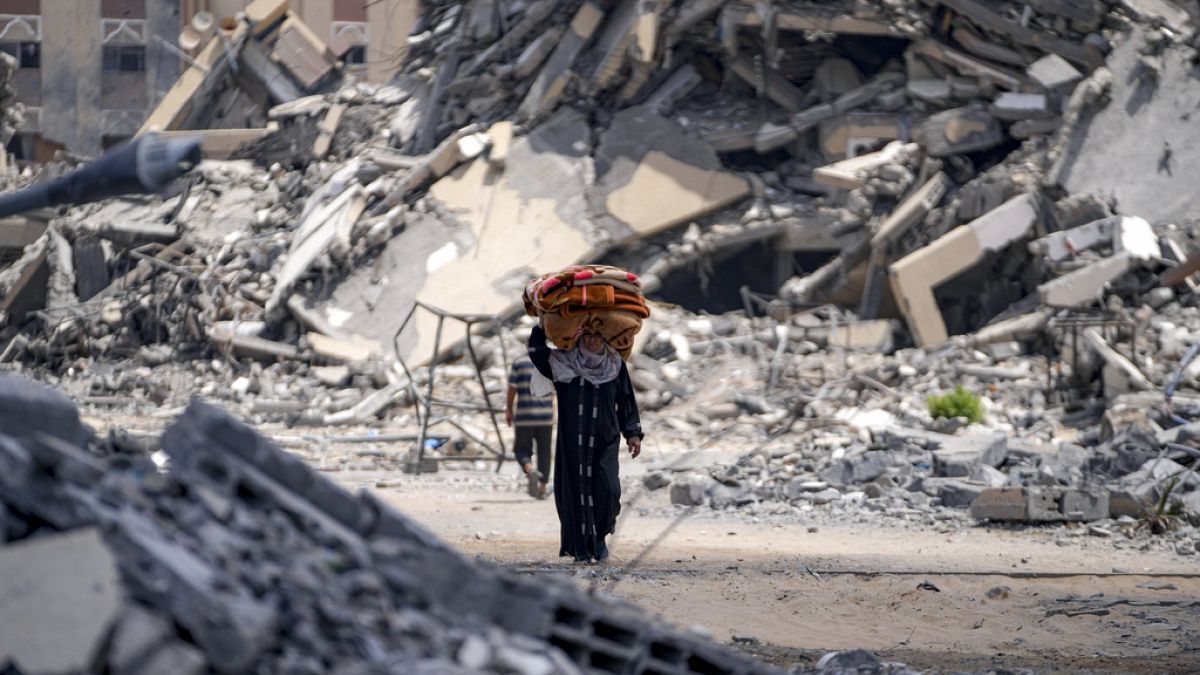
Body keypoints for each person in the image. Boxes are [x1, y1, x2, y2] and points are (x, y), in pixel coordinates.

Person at [526, 324, 643, 563]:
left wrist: (632, 433)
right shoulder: (563, 364)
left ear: (604, 338)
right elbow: (537, 352)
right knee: (575, 494)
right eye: (587, 335)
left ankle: (599, 536)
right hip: (573, 443)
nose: (591, 341)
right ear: (579, 337)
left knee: (609, 490)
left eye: (597, 335)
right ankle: (582, 548)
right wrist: (541, 325)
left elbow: (626, 400)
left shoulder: (614, 365)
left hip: (606, 440)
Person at [506, 350, 555, 499]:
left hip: (525, 416)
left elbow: (512, 388)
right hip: (545, 416)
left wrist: (509, 409)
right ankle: (542, 488)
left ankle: (529, 468)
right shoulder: (550, 361)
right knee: (544, 452)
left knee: (521, 449)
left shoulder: (519, 363)